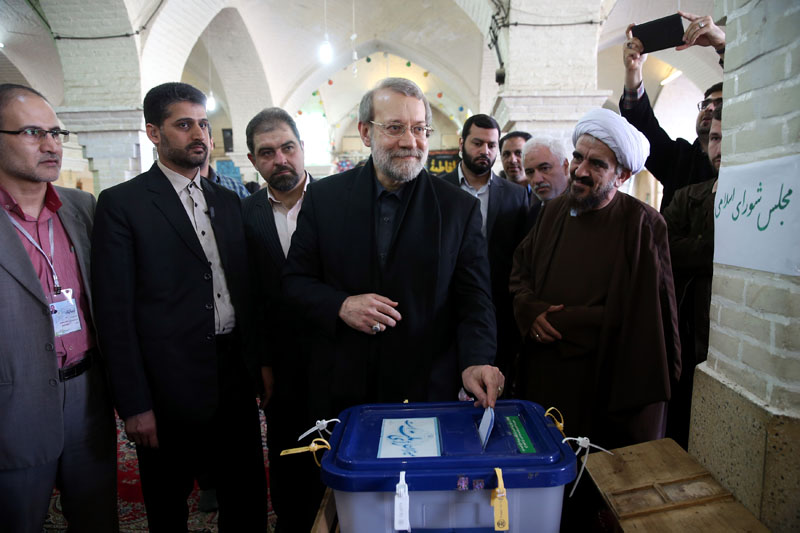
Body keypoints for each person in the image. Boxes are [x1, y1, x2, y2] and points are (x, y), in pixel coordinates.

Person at [91, 82, 267, 532]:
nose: (199, 135)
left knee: (245, 495)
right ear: (153, 132)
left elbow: (246, 293)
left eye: (203, 124)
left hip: (232, 374)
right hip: (166, 381)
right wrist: (134, 404)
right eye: (184, 124)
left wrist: (259, 364)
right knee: (168, 504)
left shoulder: (228, 202)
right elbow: (115, 313)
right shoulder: (123, 204)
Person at [283, 77, 504, 419]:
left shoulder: (458, 208)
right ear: (366, 132)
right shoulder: (325, 199)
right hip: (345, 388)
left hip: (426, 389)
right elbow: (295, 282)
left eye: (419, 128)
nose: (410, 141)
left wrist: (476, 359)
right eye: (395, 127)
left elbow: (475, 298)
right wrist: (340, 305)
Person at [510, 108, 681, 449]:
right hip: (545, 377)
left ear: (622, 175)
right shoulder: (554, 210)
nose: (580, 171)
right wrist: (530, 311)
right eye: (577, 158)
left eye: (597, 164)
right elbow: (520, 271)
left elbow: (649, 324)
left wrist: (561, 321)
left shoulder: (643, 225)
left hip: (603, 385)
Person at [0, 83, 117, 532]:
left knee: (96, 517)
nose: (51, 144)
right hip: (14, 402)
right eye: (33, 132)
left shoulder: (82, 208)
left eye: (56, 132)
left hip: (87, 395)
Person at [241, 107, 323, 531]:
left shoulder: (338, 202)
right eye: (267, 152)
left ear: (302, 149)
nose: (281, 160)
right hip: (282, 366)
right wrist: (263, 364)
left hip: (338, 356)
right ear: (254, 161)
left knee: (338, 454)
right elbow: (249, 298)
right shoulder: (244, 215)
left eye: (288, 148)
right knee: (289, 458)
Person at [440, 114, 528, 389]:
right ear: (462, 143)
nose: (485, 152)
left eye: (491, 145)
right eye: (477, 143)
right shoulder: (437, 189)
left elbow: (521, 255)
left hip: (499, 310)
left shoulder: (515, 195)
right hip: (447, 307)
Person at [621, 11, 724, 210]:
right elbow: (642, 125)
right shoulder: (678, 159)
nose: (710, 108)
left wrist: (721, 44)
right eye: (706, 104)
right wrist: (633, 70)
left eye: (719, 104)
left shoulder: (738, 159)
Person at [662, 105, 722, 449]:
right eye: (714, 138)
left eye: (728, 137)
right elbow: (664, 248)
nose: (720, 147)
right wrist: (716, 251)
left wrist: (696, 251)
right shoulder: (689, 197)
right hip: (687, 345)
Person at [522, 135, 571, 232]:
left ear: (565, 166)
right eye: (530, 172)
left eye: (545, 168)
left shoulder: (585, 208)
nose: (537, 180)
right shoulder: (534, 213)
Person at [201, 133, 250, 199]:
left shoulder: (236, 188)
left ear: (211, 144)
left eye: (202, 125)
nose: (196, 137)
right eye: (183, 125)